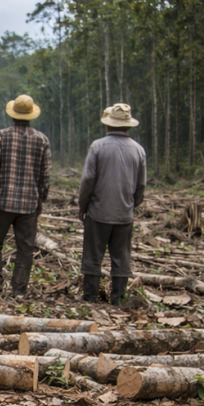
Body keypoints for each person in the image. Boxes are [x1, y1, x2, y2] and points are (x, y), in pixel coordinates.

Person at [77, 103, 147, 306]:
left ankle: (90, 296)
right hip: (124, 214)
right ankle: (118, 298)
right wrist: (132, 204)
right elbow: (141, 184)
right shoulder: (138, 150)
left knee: (92, 255)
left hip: (98, 211)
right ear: (128, 125)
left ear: (108, 124)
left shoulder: (98, 146)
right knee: (121, 257)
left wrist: (83, 205)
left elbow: (88, 179)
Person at [0, 94, 51, 296]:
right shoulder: (42, 140)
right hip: (29, 204)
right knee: (25, 248)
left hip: (2, 200)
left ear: (13, 115)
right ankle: (19, 288)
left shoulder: (2, 136)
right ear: (30, 116)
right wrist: (40, 200)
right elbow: (45, 175)